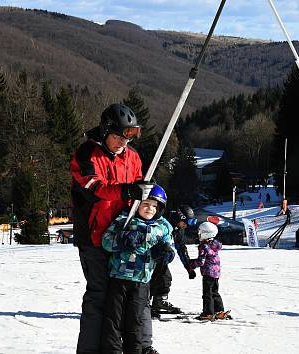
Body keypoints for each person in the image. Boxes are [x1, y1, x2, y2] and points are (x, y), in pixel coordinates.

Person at [70, 103, 159, 354]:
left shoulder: (132, 157)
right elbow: (94, 187)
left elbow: (139, 194)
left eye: (129, 136)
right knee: (99, 296)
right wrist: (126, 190)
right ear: (106, 130)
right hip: (95, 237)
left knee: (127, 298)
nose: (124, 142)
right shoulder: (87, 153)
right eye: (119, 136)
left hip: (124, 236)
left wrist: (146, 197)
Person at [101, 184, 174, 353]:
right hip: (119, 279)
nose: (150, 209)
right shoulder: (125, 221)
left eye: (155, 206)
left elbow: (168, 247)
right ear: (136, 204)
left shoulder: (162, 228)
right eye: (146, 204)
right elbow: (106, 241)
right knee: (113, 321)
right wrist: (122, 240)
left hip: (141, 282)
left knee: (135, 323)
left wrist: (166, 254)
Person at [149, 205, 198, 318]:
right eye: (187, 221)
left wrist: (188, 267)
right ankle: (144, 304)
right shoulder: (162, 223)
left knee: (165, 278)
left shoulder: (178, 229)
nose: (187, 225)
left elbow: (181, 247)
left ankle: (159, 302)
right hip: (149, 257)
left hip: (161, 258)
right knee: (152, 279)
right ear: (179, 217)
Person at [189, 222, 227, 321]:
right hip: (216, 273)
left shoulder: (204, 246)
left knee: (207, 293)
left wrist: (191, 264)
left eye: (200, 232)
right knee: (214, 292)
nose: (198, 234)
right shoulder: (215, 244)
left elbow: (201, 262)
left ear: (206, 234)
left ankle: (208, 313)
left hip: (208, 273)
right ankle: (219, 311)